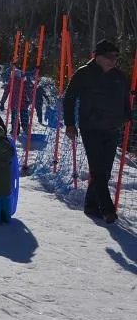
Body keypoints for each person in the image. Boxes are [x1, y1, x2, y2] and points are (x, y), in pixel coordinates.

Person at [63, 39, 132, 224]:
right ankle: (108, 209)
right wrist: (70, 123)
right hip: (91, 127)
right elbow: (69, 98)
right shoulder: (84, 74)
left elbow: (126, 98)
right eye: (109, 57)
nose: (113, 60)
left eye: (116, 57)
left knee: (105, 171)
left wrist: (126, 116)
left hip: (112, 128)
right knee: (97, 169)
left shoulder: (118, 76)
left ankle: (91, 205)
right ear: (97, 56)